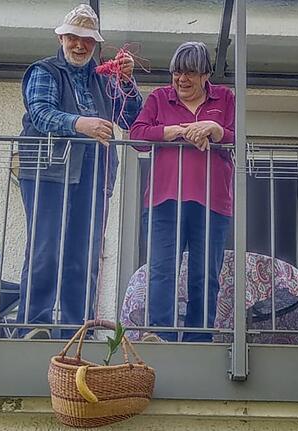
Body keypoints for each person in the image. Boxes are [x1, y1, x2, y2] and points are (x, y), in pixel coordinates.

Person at [18, 3, 142, 339]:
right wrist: (79, 123)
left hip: (94, 172)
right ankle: (34, 325)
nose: (79, 45)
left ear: (95, 44)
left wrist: (127, 82)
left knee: (85, 253)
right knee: (46, 247)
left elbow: (131, 118)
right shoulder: (45, 71)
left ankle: (78, 330)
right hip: (47, 169)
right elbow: (41, 114)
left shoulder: (102, 77)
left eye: (87, 40)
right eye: (73, 37)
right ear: (61, 38)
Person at [130, 42, 235, 342]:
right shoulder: (159, 98)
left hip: (212, 202)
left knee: (205, 276)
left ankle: (198, 339)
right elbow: (137, 135)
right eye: (177, 72)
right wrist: (177, 130)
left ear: (205, 75)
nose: (181, 80)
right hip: (163, 200)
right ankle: (159, 336)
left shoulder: (225, 98)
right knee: (162, 271)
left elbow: (236, 136)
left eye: (189, 73)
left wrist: (214, 129)